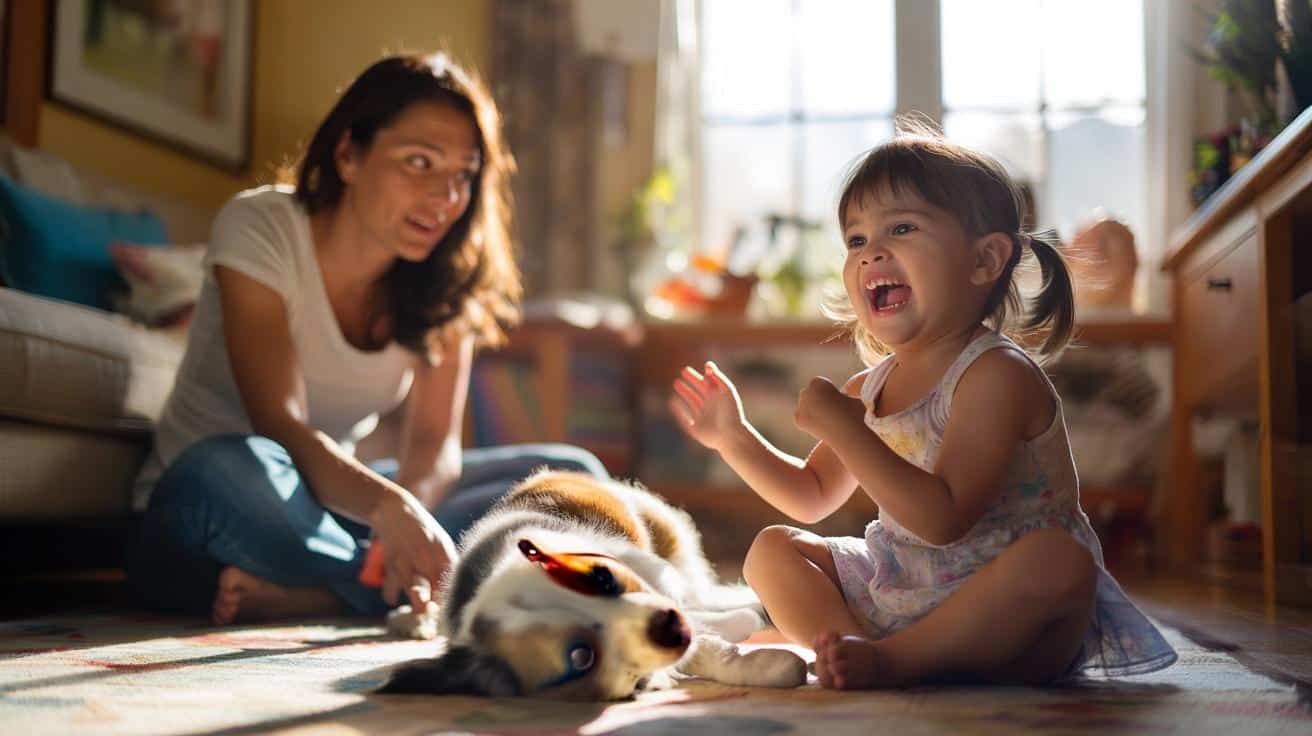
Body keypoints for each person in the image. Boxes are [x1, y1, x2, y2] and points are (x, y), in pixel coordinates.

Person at [669, 120, 1176, 689]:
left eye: (901, 228)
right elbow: (809, 497)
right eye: (856, 240)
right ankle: (849, 650)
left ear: (984, 261)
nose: (869, 253)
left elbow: (942, 519)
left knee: (1060, 563)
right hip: (902, 591)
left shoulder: (995, 375)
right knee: (770, 550)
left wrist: (847, 431)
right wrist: (733, 438)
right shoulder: (871, 387)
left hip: (1007, 615)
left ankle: (893, 662)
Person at [127, 53, 607, 625]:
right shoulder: (261, 226)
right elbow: (280, 424)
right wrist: (389, 507)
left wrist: (410, 518)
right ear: (349, 155)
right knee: (228, 466)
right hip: (217, 504)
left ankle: (332, 592)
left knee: (575, 480)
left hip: (336, 513)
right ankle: (422, 583)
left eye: (462, 174)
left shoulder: (447, 281)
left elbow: (432, 445)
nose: (445, 196)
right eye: (419, 162)